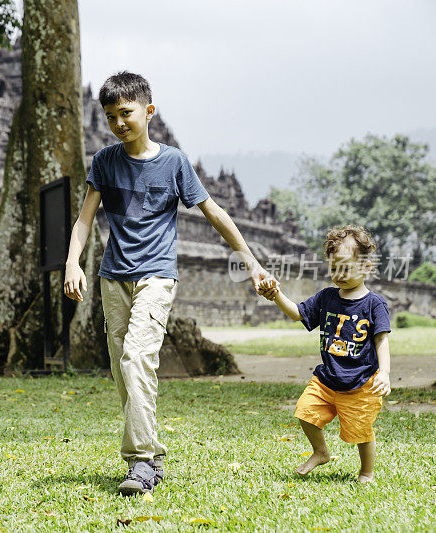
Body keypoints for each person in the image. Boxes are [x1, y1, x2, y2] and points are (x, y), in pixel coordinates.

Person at [63, 72, 272, 496]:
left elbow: (213, 213)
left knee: (137, 358)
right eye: (110, 117)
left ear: (148, 111)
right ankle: (152, 453)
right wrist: (72, 263)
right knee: (125, 372)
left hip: (156, 275)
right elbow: (85, 218)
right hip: (112, 277)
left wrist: (251, 262)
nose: (119, 123)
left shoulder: (174, 162)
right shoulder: (104, 161)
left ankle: (140, 463)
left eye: (126, 113)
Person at [258, 225, 391, 484]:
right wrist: (276, 296)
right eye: (333, 268)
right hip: (327, 378)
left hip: (360, 383)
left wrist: (384, 372)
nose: (338, 275)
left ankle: (366, 472)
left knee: (361, 431)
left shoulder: (375, 303)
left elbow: (382, 339)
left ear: (366, 267)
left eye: (345, 267)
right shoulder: (327, 297)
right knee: (305, 412)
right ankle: (321, 452)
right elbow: (298, 313)